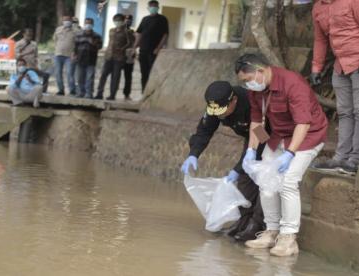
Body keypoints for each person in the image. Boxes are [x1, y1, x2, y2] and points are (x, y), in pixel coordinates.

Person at [235, 54, 328, 257]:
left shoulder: (292, 83)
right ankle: (271, 231)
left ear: (260, 71)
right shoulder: (255, 91)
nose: (247, 85)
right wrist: (251, 149)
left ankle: (288, 238)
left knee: (287, 182)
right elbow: (257, 122)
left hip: (308, 136)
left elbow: (304, 123)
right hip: (279, 137)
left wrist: (290, 154)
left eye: (247, 79)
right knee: (265, 180)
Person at [181, 81, 266, 242]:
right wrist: (193, 154)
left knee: (262, 179)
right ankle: (243, 221)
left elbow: (262, 139)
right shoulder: (217, 106)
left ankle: (257, 225)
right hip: (251, 136)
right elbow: (204, 130)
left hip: (268, 135)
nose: (219, 115)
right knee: (245, 180)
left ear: (234, 100)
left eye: (222, 111)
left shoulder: (251, 103)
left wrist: (238, 168)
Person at [310, 0, 359, 175]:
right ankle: (340, 159)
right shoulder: (318, 8)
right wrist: (316, 68)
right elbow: (320, 40)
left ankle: (354, 160)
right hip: (340, 66)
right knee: (344, 112)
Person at [134, 0, 169, 92]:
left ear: (158, 7)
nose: (153, 8)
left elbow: (165, 35)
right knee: (144, 73)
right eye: (151, 6)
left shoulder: (162, 19)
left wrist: (158, 48)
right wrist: (134, 47)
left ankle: (152, 93)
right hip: (143, 50)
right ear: (148, 8)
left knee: (153, 73)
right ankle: (143, 92)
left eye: (155, 6)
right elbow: (139, 34)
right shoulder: (145, 19)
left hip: (154, 51)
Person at [95, 14, 132, 101]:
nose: (117, 22)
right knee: (103, 75)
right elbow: (110, 42)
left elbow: (130, 43)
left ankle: (112, 95)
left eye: (119, 20)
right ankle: (99, 93)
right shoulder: (111, 30)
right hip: (109, 56)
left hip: (119, 58)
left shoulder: (127, 32)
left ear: (123, 21)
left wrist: (122, 49)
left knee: (115, 77)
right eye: (115, 20)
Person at [73, 18, 103, 99]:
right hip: (80, 59)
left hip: (91, 59)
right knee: (80, 78)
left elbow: (99, 47)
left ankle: (89, 93)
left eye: (89, 23)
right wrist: (74, 54)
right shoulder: (79, 35)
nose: (88, 25)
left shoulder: (97, 36)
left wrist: (92, 43)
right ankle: (80, 92)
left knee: (89, 78)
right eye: (86, 23)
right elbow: (75, 46)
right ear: (84, 24)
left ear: (92, 25)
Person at [53, 15, 77, 96]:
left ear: (71, 20)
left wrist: (75, 53)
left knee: (70, 73)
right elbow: (55, 40)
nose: (66, 21)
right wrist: (56, 49)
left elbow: (77, 43)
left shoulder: (75, 31)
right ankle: (61, 90)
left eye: (68, 19)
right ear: (62, 21)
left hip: (70, 56)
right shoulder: (58, 29)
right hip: (58, 54)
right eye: (64, 20)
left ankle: (72, 90)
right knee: (57, 73)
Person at [123, 15, 136, 101]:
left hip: (129, 56)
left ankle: (127, 94)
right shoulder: (118, 30)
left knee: (128, 77)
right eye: (126, 19)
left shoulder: (132, 32)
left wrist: (134, 52)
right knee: (115, 75)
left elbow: (134, 43)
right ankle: (112, 93)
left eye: (130, 20)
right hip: (119, 55)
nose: (128, 21)